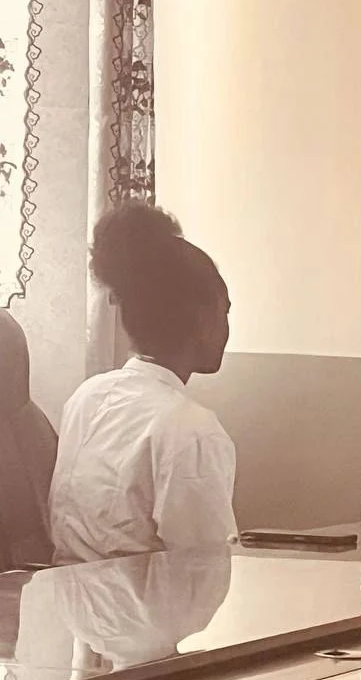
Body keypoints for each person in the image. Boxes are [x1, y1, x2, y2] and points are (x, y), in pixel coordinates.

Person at [48, 204, 236, 564]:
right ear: (202, 320)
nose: (227, 328)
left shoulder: (87, 397)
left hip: (64, 595)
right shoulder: (192, 430)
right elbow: (205, 573)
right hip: (140, 601)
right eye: (224, 311)